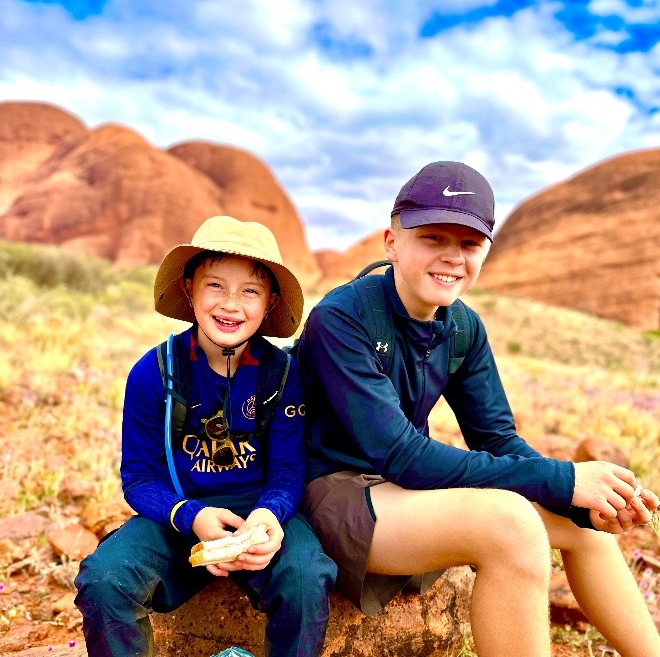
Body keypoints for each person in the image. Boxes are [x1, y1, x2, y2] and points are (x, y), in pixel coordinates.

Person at [296, 162, 660, 657]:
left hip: (406, 493)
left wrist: (584, 499)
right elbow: (401, 455)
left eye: (469, 244)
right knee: (510, 524)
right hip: (334, 493)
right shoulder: (341, 318)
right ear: (392, 242)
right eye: (433, 238)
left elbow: (497, 439)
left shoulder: (462, 327)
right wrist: (563, 479)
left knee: (585, 528)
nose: (453, 257)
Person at [75, 215, 337, 657]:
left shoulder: (283, 375)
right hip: (180, 516)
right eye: (215, 286)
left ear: (270, 302)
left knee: (306, 576)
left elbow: (288, 470)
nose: (231, 305)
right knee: (105, 580)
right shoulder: (154, 372)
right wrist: (191, 517)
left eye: (250, 291)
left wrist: (270, 514)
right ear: (189, 290)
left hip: (258, 515)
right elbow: (139, 477)